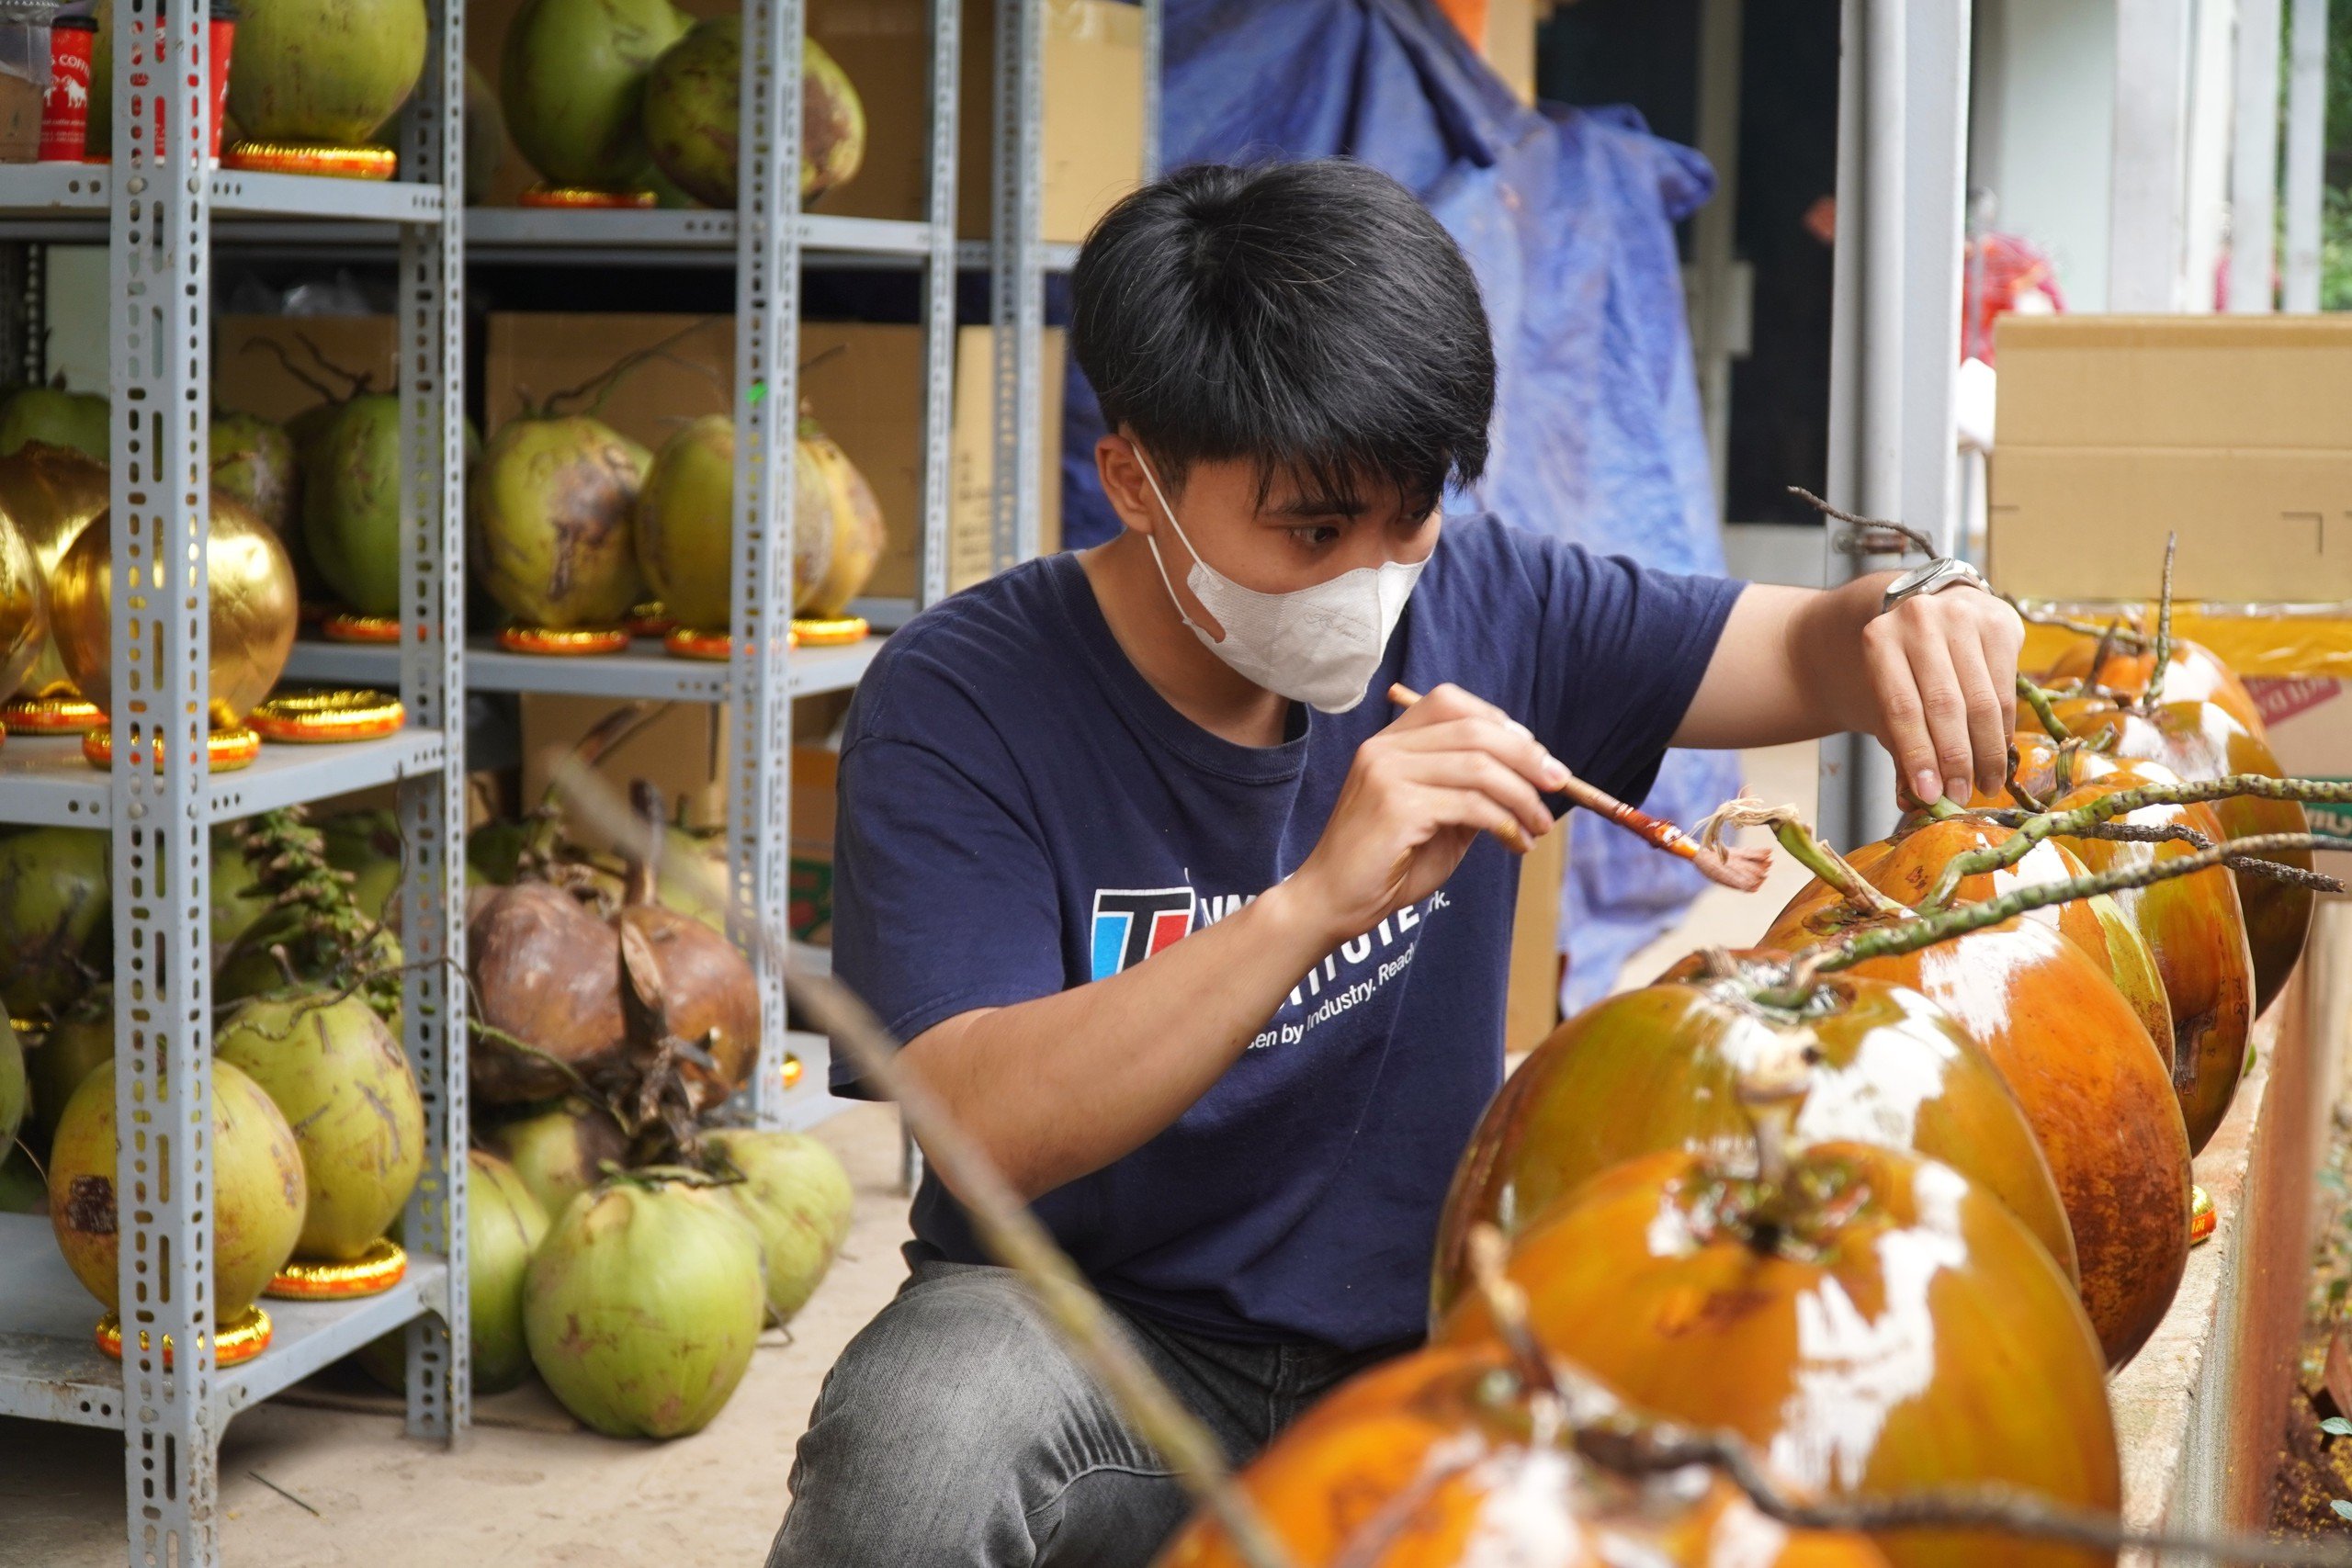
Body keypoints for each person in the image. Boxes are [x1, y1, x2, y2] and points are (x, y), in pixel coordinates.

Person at [765, 160, 2020, 1568]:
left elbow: (1798, 647)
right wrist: (1314, 904)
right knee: (924, 1433)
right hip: (1095, 1352)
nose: (1374, 571)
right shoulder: (964, 700)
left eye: (1409, 512)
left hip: (1432, 1349)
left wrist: (1914, 609)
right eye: (1312, 528)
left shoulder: (1491, 602)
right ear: (1136, 480)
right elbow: (973, 1118)